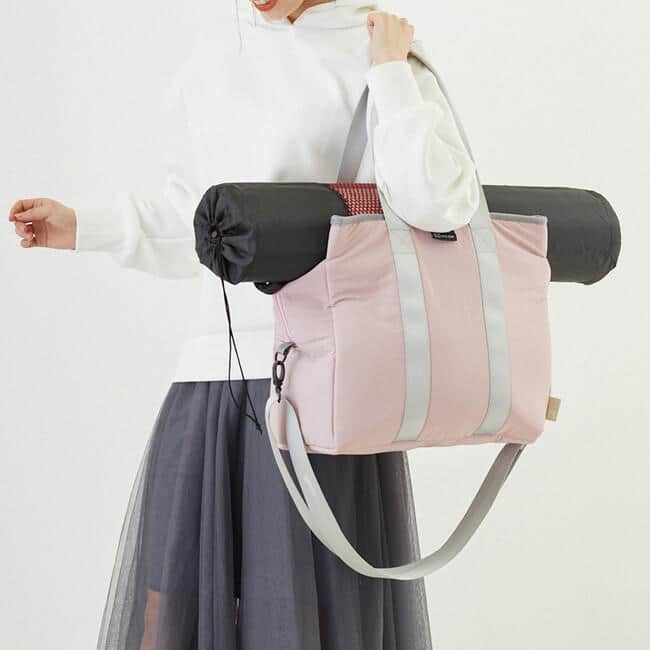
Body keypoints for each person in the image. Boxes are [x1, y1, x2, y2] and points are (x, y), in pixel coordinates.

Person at [8, 0, 479, 648]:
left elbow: (441, 204)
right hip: (208, 381)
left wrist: (392, 73)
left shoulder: (378, 50)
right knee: (166, 613)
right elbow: (198, 223)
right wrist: (85, 226)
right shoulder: (209, 66)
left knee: (295, 623)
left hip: (320, 390)